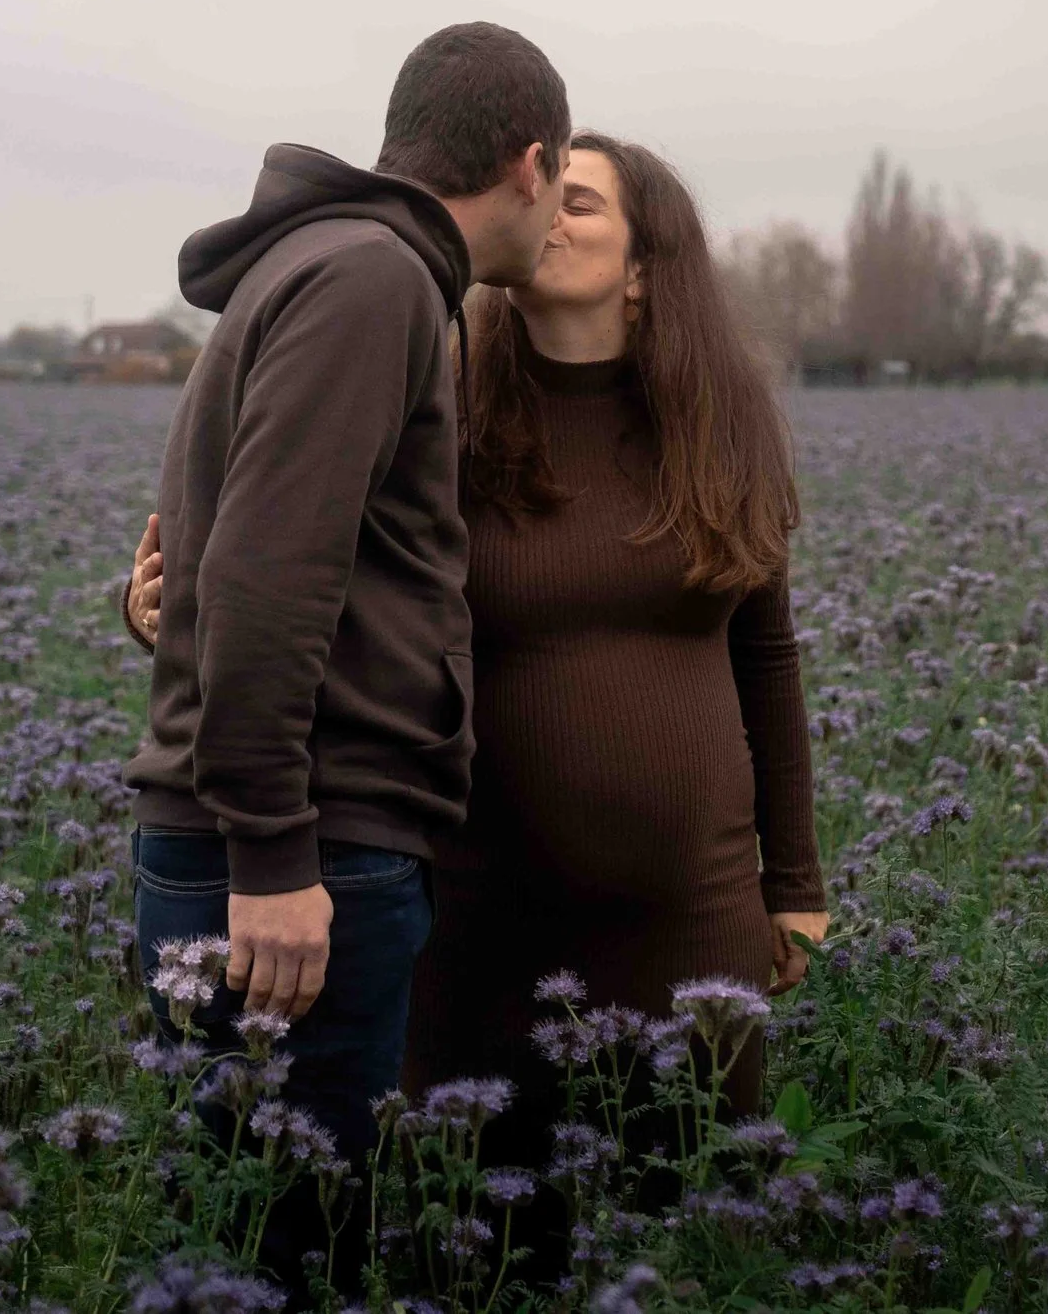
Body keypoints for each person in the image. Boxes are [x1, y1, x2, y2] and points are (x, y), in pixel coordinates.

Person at [125, 130, 830, 1287]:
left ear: (647, 266)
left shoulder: (721, 432)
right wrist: (166, 609)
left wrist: (793, 882)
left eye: (584, 204)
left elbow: (769, 661)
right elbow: (286, 561)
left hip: (688, 916)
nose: (547, 212)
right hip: (474, 915)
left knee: (686, 1233)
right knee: (477, 1241)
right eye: (549, 191)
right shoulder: (439, 402)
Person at [119, 20, 568, 1301]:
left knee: (240, 1233)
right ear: (530, 162)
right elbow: (270, 570)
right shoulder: (374, 279)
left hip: (269, 835)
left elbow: (235, 536)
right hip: (294, 853)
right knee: (285, 1251)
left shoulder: (328, 264)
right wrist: (273, 852)